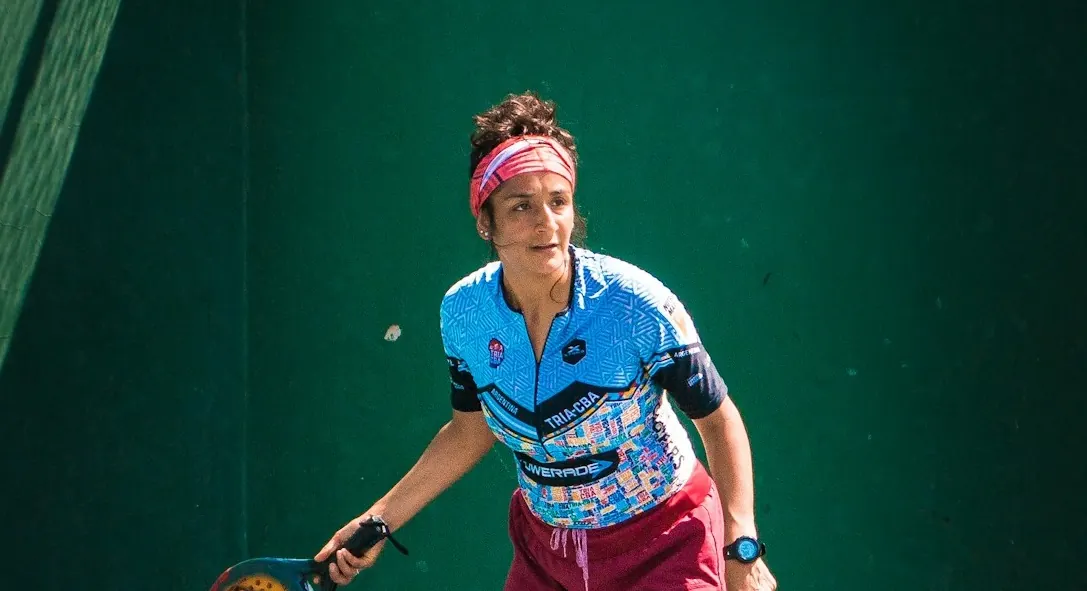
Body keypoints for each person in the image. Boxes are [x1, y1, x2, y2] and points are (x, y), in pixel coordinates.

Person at [315, 91, 777, 591]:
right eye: (521, 206)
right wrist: (379, 520)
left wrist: (741, 545)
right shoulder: (464, 312)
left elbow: (717, 418)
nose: (546, 223)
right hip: (546, 553)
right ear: (485, 222)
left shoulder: (634, 304)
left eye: (558, 202)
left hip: (666, 541)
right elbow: (471, 431)